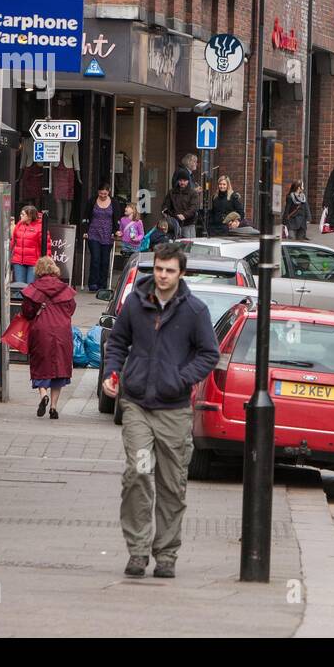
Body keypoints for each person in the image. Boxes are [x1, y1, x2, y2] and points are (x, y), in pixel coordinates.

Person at [102, 243, 218, 579]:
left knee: (172, 484)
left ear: (181, 273)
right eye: (158, 269)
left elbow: (208, 354)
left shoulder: (194, 311)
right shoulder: (135, 305)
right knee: (138, 473)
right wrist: (114, 374)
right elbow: (118, 342)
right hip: (137, 404)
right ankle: (137, 552)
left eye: (169, 270)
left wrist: (180, 378)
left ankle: (166, 555)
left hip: (174, 411)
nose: (162, 276)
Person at [20, 256, 76, 421]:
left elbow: (27, 312)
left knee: (40, 364)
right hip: (62, 331)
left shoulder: (34, 288)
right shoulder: (65, 289)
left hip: (41, 330)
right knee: (59, 369)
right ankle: (53, 407)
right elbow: (71, 309)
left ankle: (43, 394)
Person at [83, 185, 119, 293]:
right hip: (93, 233)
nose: (103, 196)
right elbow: (86, 215)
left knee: (105, 260)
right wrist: (85, 231)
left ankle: (102, 284)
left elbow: (117, 217)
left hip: (108, 234)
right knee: (95, 258)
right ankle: (93, 283)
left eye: (105, 194)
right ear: (98, 192)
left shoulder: (114, 202)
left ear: (109, 192)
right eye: (101, 193)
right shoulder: (92, 201)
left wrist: (115, 231)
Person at [162, 167, 199, 238]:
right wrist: (165, 212)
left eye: (184, 180)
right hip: (174, 224)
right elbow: (166, 205)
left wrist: (184, 215)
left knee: (188, 245)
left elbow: (193, 207)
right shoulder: (172, 192)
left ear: (188, 181)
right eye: (180, 180)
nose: (182, 182)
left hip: (188, 224)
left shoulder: (193, 193)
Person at [10, 205, 43, 285]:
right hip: (18, 262)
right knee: (19, 288)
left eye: (23, 214)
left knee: (31, 288)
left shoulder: (40, 227)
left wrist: (45, 263)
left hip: (33, 263)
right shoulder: (19, 225)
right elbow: (13, 242)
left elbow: (46, 247)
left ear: (29, 216)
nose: (20, 216)